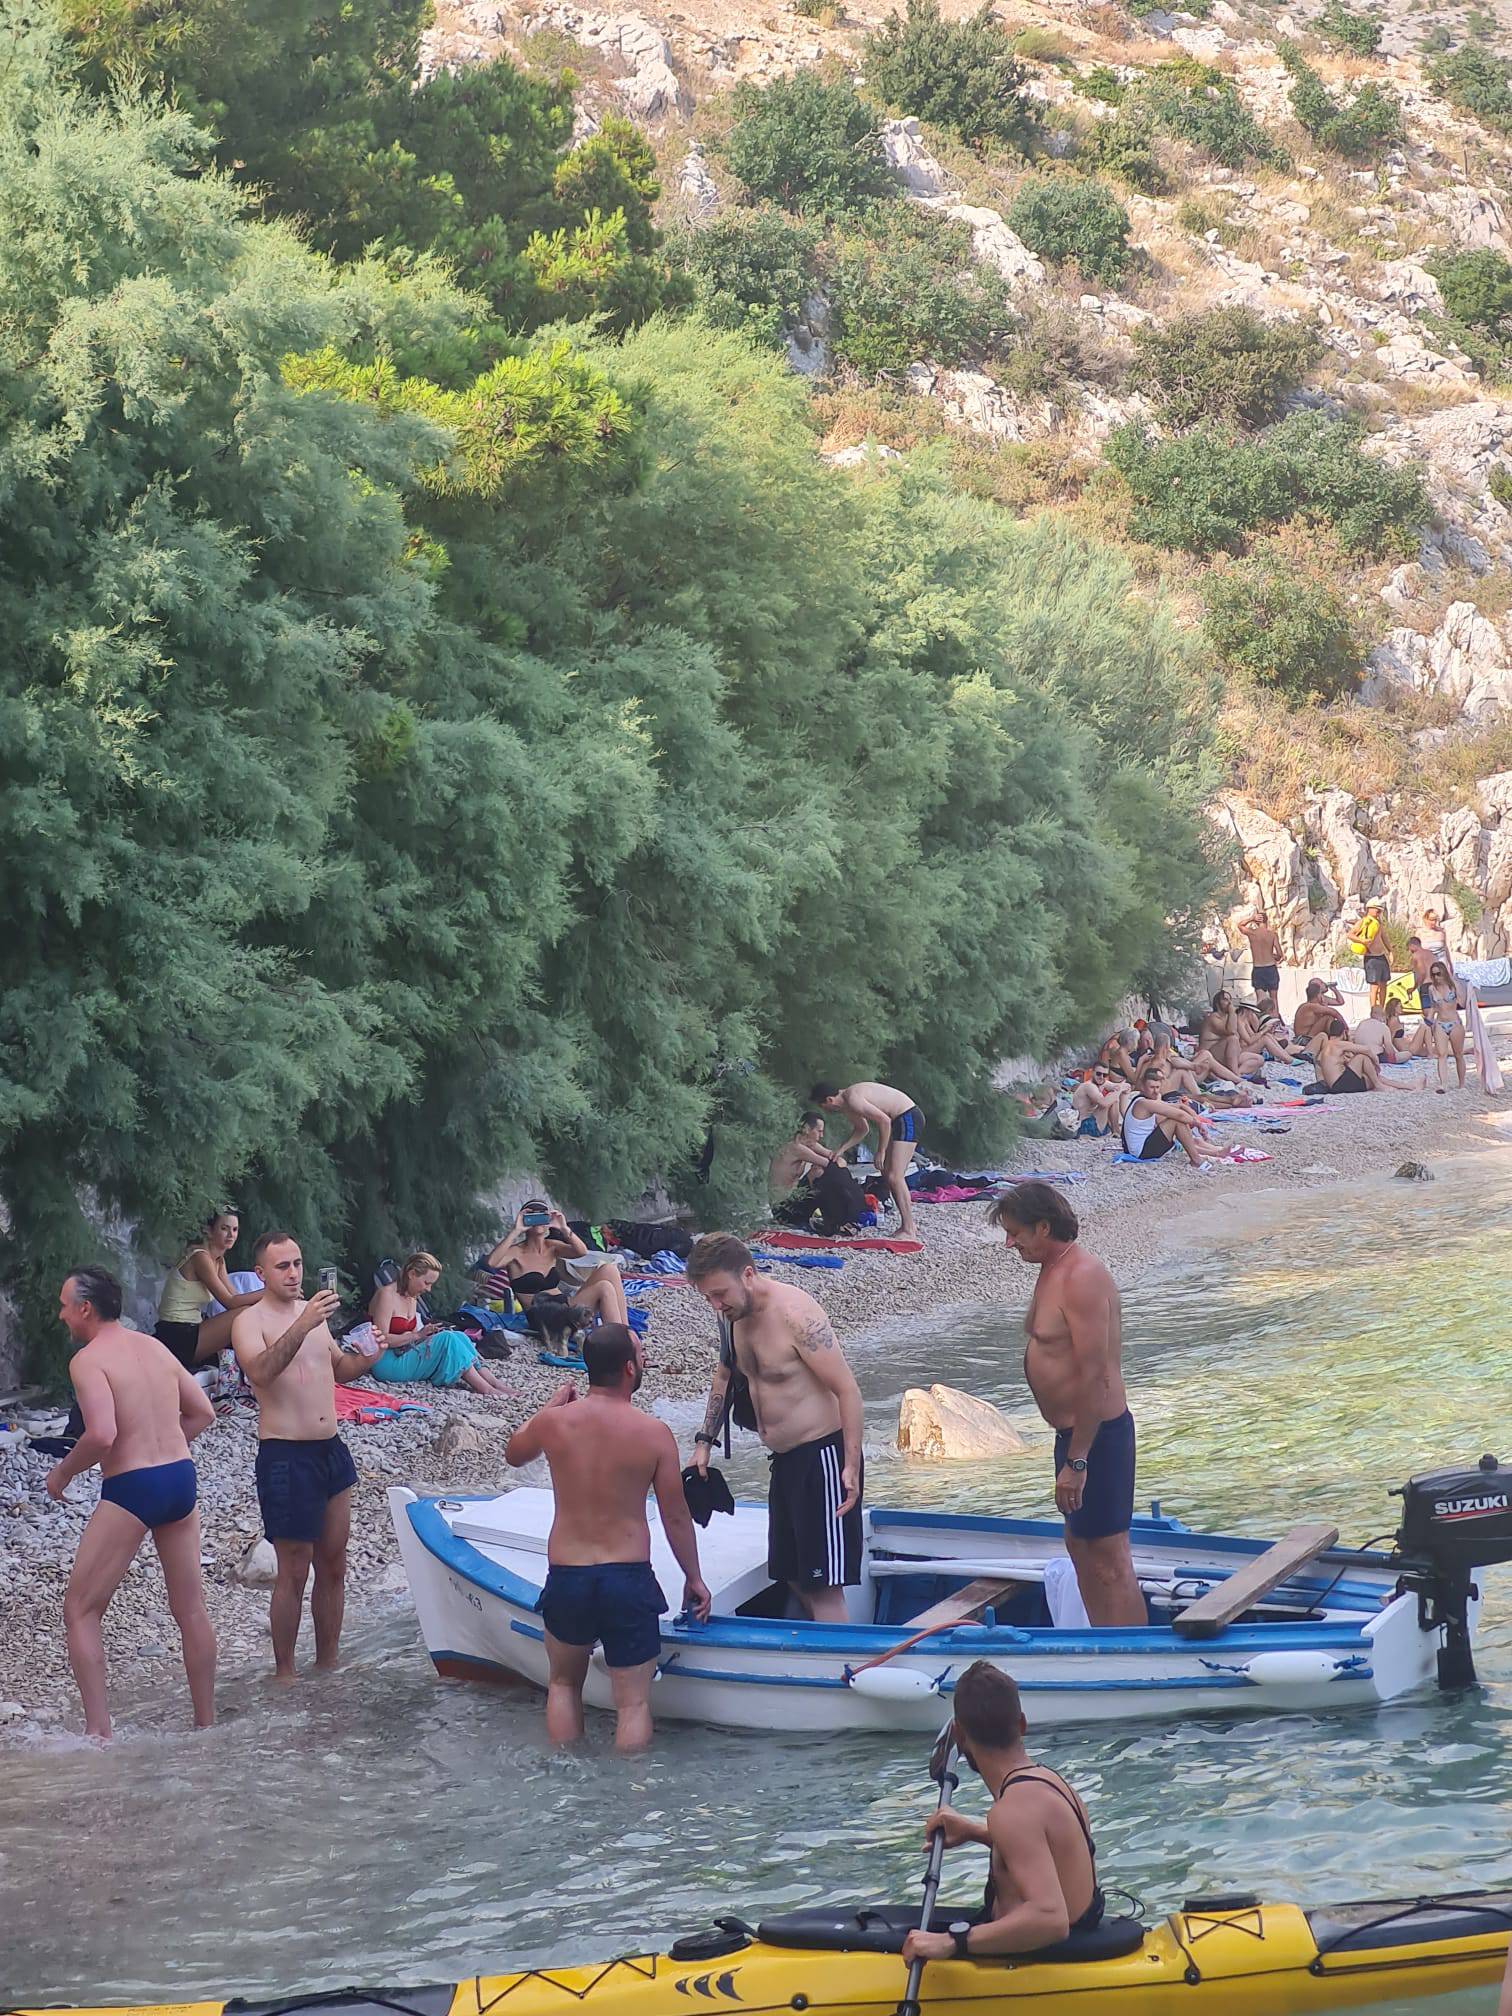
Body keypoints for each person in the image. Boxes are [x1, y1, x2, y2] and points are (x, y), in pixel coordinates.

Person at [504, 1324, 710, 1750]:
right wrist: (694, 1577)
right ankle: (631, 1802)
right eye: (642, 1353)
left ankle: (566, 1782)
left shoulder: (554, 1423)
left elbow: (514, 1453)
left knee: (562, 1685)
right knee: (632, 1704)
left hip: (568, 1574)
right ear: (630, 1368)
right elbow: (675, 1515)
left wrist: (548, 1408)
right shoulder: (653, 1433)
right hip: (627, 1576)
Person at [46, 1267, 217, 1739]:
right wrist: (163, 1453)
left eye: (64, 1305)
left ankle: (99, 1736)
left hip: (132, 1487)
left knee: (81, 1609)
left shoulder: (88, 1360)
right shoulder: (154, 1347)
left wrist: (62, 1472)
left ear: (85, 1309)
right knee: (190, 1609)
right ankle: (206, 1725)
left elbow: (102, 1436)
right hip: (180, 1478)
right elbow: (203, 1412)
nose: (60, 1315)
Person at [687, 1233, 864, 1624]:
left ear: (748, 1274)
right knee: (791, 1575)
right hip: (784, 1461)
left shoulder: (795, 1314)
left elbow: (848, 1390)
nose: (716, 1305)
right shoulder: (730, 1315)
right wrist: (705, 1442)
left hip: (823, 1459)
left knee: (823, 1586)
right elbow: (725, 1374)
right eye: (708, 1298)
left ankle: (842, 1674)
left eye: (720, 1294)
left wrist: (850, 1467)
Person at [988, 1183, 1143, 1625]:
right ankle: (1105, 1643)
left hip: (1096, 1438)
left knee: (1110, 1559)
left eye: (1016, 1233)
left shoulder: (1082, 1277)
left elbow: (1098, 1375)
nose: (1009, 1242)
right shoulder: (1051, 1268)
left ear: (1044, 1226)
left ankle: (1131, 1657)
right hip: (1073, 1435)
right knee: (1081, 1546)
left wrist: (1077, 1462)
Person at [232, 1231, 372, 1681]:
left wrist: (368, 1355)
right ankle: (285, 1673)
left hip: (331, 1450)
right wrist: (304, 1322)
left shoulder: (314, 1314)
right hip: (285, 1455)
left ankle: (328, 1664)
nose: (294, 1273)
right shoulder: (250, 1321)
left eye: (297, 1263)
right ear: (261, 1274)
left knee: (333, 1564)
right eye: (282, 1267)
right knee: (293, 1570)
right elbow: (261, 1372)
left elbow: (339, 1368)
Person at [902, 1661, 1102, 1965]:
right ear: (1021, 1723)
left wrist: (951, 1942)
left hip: (1044, 1963)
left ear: (958, 1733)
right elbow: (1049, 1854)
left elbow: (1051, 1919)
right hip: (1081, 1936)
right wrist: (976, 1832)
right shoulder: (1051, 1784)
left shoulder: (1010, 1812)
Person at [367, 1251, 514, 1395]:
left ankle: (493, 1382)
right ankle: (485, 1389)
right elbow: (382, 1339)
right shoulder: (386, 1295)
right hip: (386, 1362)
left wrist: (424, 1334)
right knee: (448, 1339)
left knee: (458, 1336)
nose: (428, 1289)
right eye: (426, 1283)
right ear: (411, 1274)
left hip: (403, 1351)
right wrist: (416, 1335)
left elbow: (409, 1334)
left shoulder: (412, 1296)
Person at [809, 1079, 923, 1243]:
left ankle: (909, 1228)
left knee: (895, 1176)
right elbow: (862, 1129)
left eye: (822, 1106)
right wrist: (841, 1150)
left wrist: (880, 1152)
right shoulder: (847, 1103)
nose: (825, 1110)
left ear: (829, 1100)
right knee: (888, 1174)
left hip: (907, 1116)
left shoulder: (853, 1098)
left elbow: (884, 1121)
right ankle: (906, 1225)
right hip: (900, 1119)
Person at [483, 1203, 629, 1331]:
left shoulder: (551, 1246)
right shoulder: (516, 1252)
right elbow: (491, 1263)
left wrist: (564, 1228)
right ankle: (618, 1342)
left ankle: (626, 1332)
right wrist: (515, 1230)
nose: (538, 1220)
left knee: (609, 1269)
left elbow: (581, 1252)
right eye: (532, 1216)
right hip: (541, 1316)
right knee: (604, 1287)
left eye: (542, 1216)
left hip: (565, 1306)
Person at [153, 1205, 264, 1369]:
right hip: (176, 1333)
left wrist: (271, 1298)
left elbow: (236, 1297)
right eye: (224, 1228)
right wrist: (271, 1291)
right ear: (209, 1231)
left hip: (192, 1328)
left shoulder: (218, 1260)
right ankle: (258, 1366)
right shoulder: (200, 1257)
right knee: (243, 1314)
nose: (231, 1235)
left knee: (247, 1312)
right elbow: (230, 1302)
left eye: (234, 1229)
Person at [769, 1114, 866, 1235]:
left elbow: (837, 1159)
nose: (821, 1135)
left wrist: (837, 1160)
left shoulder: (808, 1144)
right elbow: (831, 1165)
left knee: (822, 1172)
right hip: (783, 1209)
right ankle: (838, 1218)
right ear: (807, 1129)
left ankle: (843, 1215)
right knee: (821, 1173)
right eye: (819, 1131)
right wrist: (837, 1163)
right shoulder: (796, 1148)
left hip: (795, 1197)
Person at [1121, 1064, 1227, 1168]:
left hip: (1141, 1146)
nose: (1155, 1091)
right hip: (1140, 1152)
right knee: (1175, 1121)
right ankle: (1196, 1160)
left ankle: (1203, 1156)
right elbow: (1179, 1115)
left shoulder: (1144, 1100)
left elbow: (1177, 1107)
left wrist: (1194, 1118)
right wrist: (1197, 1124)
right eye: (1152, 1087)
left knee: (1178, 1122)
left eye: (1157, 1087)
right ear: (1143, 1087)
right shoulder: (1144, 1103)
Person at [1310, 1029, 1412, 1095]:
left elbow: (1319, 1066)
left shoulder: (1325, 1049)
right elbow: (1366, 1049)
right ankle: (1378, 1085)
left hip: (1334, 1086)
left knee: (1372, 1076)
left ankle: (1408, 1086)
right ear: (1344, 1033)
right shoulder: (1337, 1044)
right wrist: (1376, 1063)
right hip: (1341, 1084)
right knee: (1362, 1057)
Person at [1422, 961, 1468, 1092]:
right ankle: (1443, 1084)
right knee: (1441, 1054)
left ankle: (1462, 1083)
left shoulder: (1453, 985)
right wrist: (1428, 1019)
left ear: (1444, 973)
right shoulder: (1432, 989)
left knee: (1458, 1054)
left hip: (1455, 1023)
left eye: (1438, 974)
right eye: (1433, 974)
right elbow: (1433, 1006)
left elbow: (1463, 1003)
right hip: (1440, 1023)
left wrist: (1460, 990)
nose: (1436, 977)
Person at [1346, 900, 1390, 1014]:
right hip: (1371, 957)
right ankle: (1374, 1010)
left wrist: (1390, 951)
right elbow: (1350, 934)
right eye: (1376, 909)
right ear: (1369, 908)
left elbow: (1384, 937)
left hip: (1381, 956)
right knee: (1374, 985)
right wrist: (1362, 940)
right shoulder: (1363, 922)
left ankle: (1382, 1007)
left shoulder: (1378, 923)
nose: (1378, 911)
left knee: (1384, 983)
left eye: (1379, 910)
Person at [1239, 909, 1284, 1018]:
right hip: (1271, 968)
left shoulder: (1252, 933)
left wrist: (1251, 918)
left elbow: (1240, 925)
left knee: (1260, 999)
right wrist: (1272, 956)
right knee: (1274, 999)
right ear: (1267, 921)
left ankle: (1261, 1021)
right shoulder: (1272, 935)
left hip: (1258, 969)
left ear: (1256, 922)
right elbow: (1280, 954)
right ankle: (1276, 1022)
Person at [1069, 1065, 1129, 1136]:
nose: (1101, 1077)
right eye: (1098, 1074)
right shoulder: (1089, 1086)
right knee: (1111, 1099)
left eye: (1105, 1075)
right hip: (1084, 1126)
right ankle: (1117, 1130)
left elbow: (1117, 1087)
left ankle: (1119, 1129)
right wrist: (1120, 1089)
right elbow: (1104, 1103)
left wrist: (1123, 1087)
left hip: (1094, 1124)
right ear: (1092, 1073)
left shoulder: (1102, 1082)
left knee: (1113, 1097)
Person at [1292, 978, 1349, 1049]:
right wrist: (1346, 1026)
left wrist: (1334, 990)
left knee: (1329, 1017)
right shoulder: (1309, 1006)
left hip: (1311, 1035)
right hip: (1303, 1039)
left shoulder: (1321, 1002)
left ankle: (1335, 1038)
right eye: (1321, 983)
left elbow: (1340, 1002)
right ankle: (1335, 1039)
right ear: (1318, 995)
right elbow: (1334, 1012)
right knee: (1328, 1017)